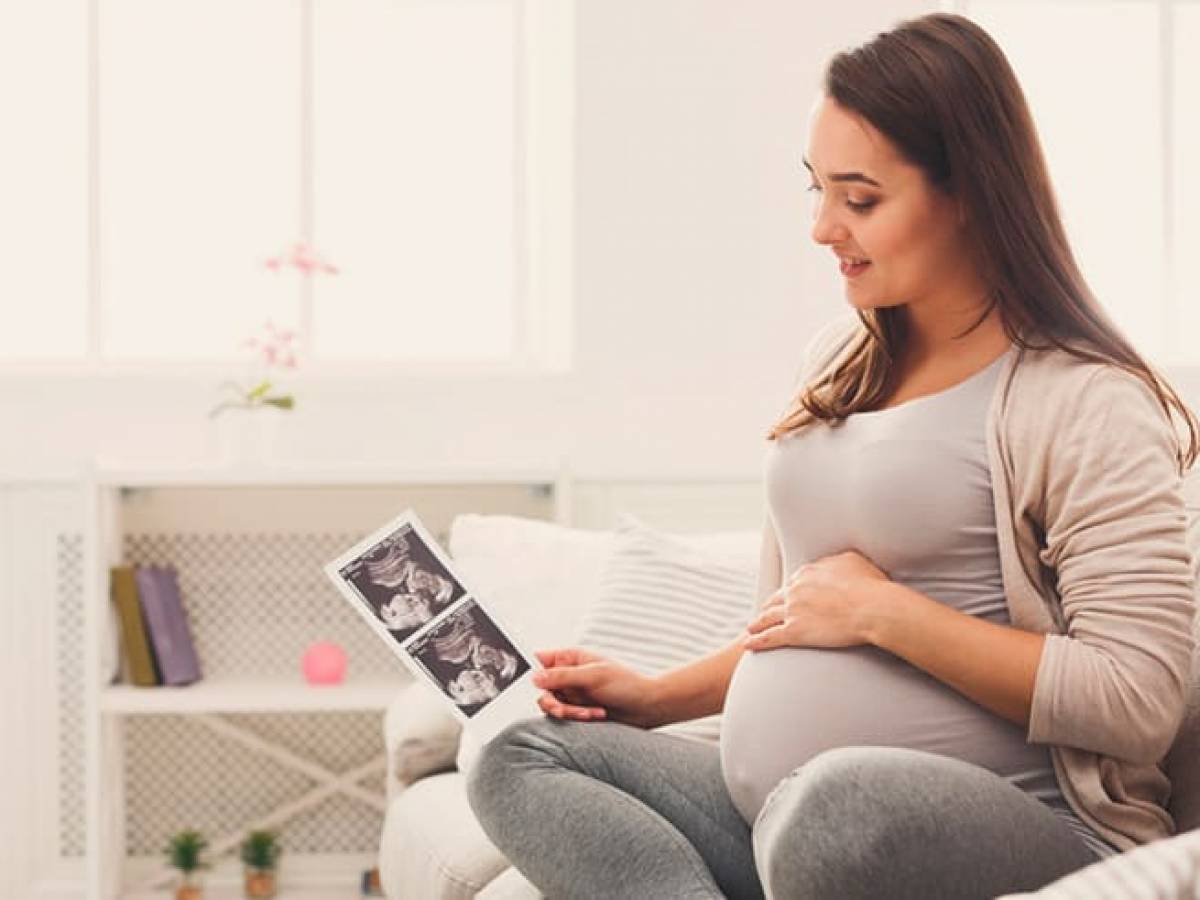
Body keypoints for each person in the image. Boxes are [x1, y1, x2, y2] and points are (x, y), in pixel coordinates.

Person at [463, 12, 1199, 900]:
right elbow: (805, 624)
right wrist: (655, 697)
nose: (821, 228)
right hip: (783, 823)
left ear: (968, 190)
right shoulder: (836, 363)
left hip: (1018, 826)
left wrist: (886, 613)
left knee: (833, 809)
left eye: (859, 199)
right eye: (814, 189)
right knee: (518, 753)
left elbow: (1141, 696)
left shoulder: (1086, 398)